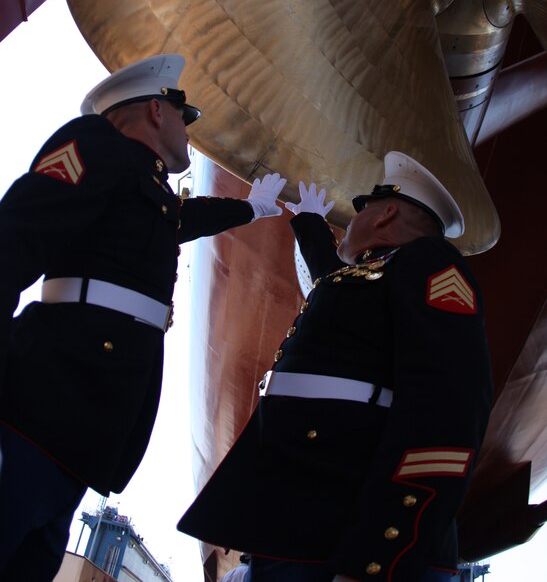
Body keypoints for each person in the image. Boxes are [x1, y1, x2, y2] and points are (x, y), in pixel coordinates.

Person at [0, 53, 286, 581]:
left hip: (86, 424)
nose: (187, 129)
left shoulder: (146, 187)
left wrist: (252, 209)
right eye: (185, 116)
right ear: (157, 111)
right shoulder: (95, 145)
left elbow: (180, 217)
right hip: (41, 400)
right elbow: (15, 239)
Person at [178, 152, 493, 582]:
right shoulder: (372, 277)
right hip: (295, 530)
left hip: (341, 539)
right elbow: (333, 286)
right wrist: (307, 224)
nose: (350, 218)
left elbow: (448, 410)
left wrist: (379, 558)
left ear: (386, 216)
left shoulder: (429, 265)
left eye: (359, 209)